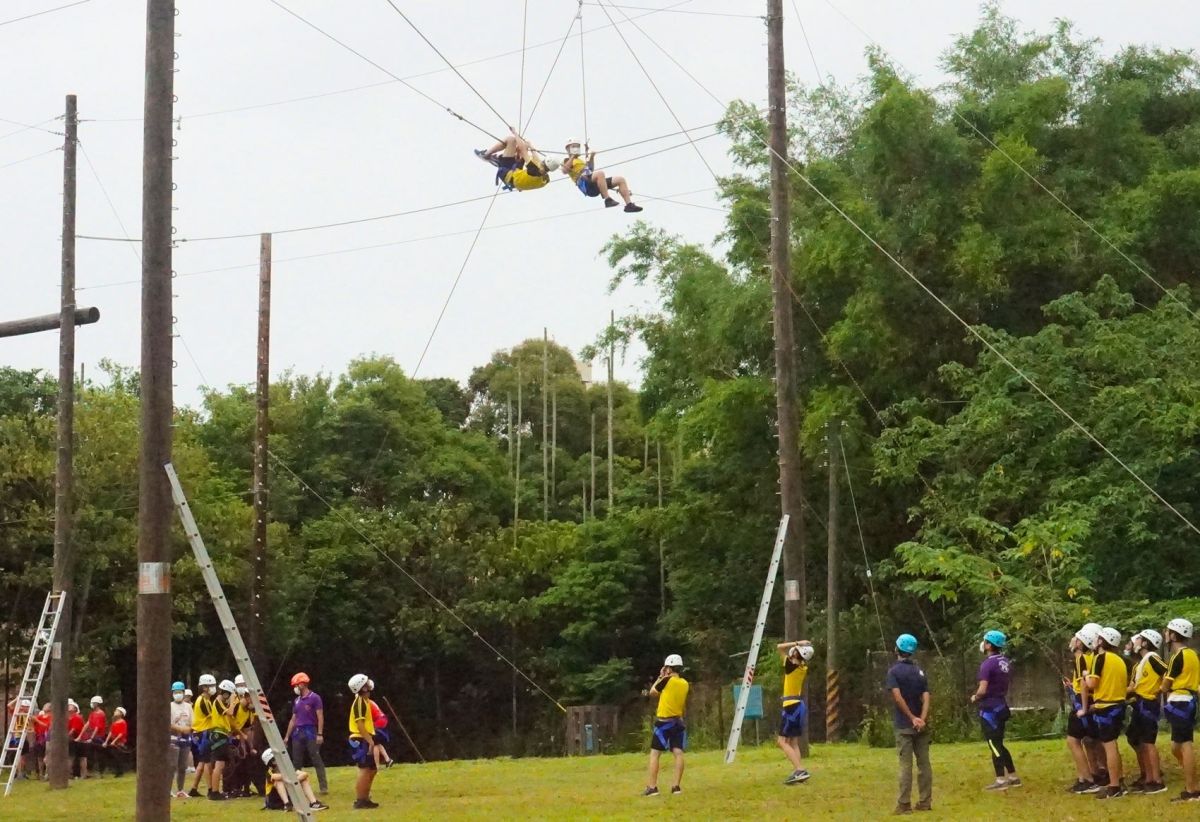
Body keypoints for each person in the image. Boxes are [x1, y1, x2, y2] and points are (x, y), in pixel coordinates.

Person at [1080, 626, 1128, 799]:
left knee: (1109, 747)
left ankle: (1114, 786)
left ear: (1102, 641)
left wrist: (1085, 674)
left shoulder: (1101, 657)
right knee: (1112, 745)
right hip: (1118, 705)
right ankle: (1118, 781)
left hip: (1107, 707)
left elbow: (1092, 684)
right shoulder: (1119, 660)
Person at [886, 633, 932, 815]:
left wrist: (912, 718)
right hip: (921, 725)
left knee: (906, 765)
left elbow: (897, 697)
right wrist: (922, 718)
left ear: (897, 649)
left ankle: (904, 804)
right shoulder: (919, 671)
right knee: (924, 764)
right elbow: (926, 696)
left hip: (904, 725)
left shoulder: (893, 672)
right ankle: (925, 801)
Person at [972, 630, 1020, 790]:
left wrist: (975, 697)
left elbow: (983, 689)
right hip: (1002, 705)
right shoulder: (1004, 661)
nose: (983, 644)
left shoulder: (988, 664)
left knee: (993, 744)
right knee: (1000, 743)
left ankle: (1000, 779)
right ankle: (1013, 776)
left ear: (989, 644)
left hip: (990, 709)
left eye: (985, 641)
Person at [1161, 617, 1199, 802]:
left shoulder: (1179, 656)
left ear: (1174, 635)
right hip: (1188, 700)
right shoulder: (1193, 655)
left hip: (1180, 700)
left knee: (1184, 745)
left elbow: (1165, 685)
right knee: (1177, 747)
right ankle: (1192, 781)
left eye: (1168, 631)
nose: (1165, 634)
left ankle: (1192, 790)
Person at [1126, 629, 1167, 794]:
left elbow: (1167, 673)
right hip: (1139, 703)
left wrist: (1160, 690)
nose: (1135, 642)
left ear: (1145, 643)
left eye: (1139, 639)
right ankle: (1147, 775)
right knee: (1135, 738)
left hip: (1148, 704)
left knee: (1148, 741)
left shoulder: (1152, 658)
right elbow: (1134, 686)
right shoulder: (1141, 663)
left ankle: (1156, 780)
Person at [1064, 623, 1104, 793]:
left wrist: (1083, 708)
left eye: (1076, 638)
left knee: (1073, 741)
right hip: (1087, 701)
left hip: (1083, 704)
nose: (1073, 640)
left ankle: (1087, 779)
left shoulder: (1081, 658)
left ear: (1081, 642)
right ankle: (1087, 776)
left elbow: (1084, 684)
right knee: (1090, 740)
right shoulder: (1092, 658)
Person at [643, 653, 689, 797]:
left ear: (669, 668)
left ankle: (652, 787)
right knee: (678, 753)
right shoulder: (685, 683)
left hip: (663, 723)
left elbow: (652, 692)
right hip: (678, 722)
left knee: (655, 754)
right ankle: (676, 786)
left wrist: (660, 677)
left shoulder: (666, 680)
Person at [562, 139, 643, 212]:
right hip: (586, 184)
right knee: (600, 174)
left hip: (592, 181)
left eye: (577, 146)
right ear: (568, 149)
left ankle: (629, 205)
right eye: (573, 146)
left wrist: (592, 157)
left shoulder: (580, 161)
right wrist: (572, 156)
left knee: (620, 180)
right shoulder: (567, 160)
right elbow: (564, 170)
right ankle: (607, 200)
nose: (576, 148)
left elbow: (590, 169)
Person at [775, 640, 813, 785]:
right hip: (798, 705)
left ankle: (800, 769)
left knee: (782, 741)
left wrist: (798, 642)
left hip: (791, 707)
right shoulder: (802, 667)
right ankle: (799, 771)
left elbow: (779, 647)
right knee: (794, 742)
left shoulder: (791, 666)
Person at [284, 672, 328, 795]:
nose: (295, 688)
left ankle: (323, 787)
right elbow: (293, 719)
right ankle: (296, 787)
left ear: (302, 684)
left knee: (316, 758)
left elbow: (320, 716)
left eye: (296, 685)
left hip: (311, 731)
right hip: (298, 732)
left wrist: (320, 734)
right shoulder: (296, 700)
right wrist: (287, 736)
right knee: (296, 761)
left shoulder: (315, 698)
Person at [475, 131, 561, 191]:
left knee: (511, 139)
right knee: (522, 151)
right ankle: (499, 158)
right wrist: (530, 146)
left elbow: (523, 150)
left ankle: (486, 155)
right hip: (515, 175)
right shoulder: (544, 177)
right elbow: (536, 159)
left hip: (508, 173)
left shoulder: (535, 170)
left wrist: (515, 133)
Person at [188, 673, 223, 799]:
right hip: (203, 733)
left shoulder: (205, 700)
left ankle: (193, 788)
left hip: (200, 733)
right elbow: (213, 716)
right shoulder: (203, 701)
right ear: (204, 687)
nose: (213, 688)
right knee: (207, 762)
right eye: (211, 686)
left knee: (202, 763)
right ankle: (210, 789)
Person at [348, 673, 380, 810]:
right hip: (359, 738)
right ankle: (360, 800)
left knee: (372, 769)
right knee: (364, 768)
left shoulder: (365, 701)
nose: (369, 684)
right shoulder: (359, 702)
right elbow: (360, 724)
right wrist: (370, 741)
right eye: (366, 683)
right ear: (363, 687)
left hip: (366, 737)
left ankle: (366, 798)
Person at [260, 748, 328, 812]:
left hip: (289, 797)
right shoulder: (270, 772)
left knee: (304, 780)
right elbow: (276, 777)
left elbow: (304, 774)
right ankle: (287, 804)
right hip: (274, 801)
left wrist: (294, 780)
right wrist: (294, 779)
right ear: (272, 761)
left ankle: (313, 803)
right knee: (278, 782)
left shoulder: (287, 768)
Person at [169, 680, 193, 798]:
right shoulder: (170, 706)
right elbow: (168, 724)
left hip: (186, 739)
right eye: (175, 692)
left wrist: (187, 730)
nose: (178, 694)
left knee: (182, 766)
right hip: (173, 738)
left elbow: (192, 723)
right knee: (172, 765)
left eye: (180, 692)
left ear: (183, 693)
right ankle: (167, 789)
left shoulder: (188, 707)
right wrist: (180, 729)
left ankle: (180, 789)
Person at [366, 679, 394, 769]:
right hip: (382, 720)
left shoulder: (366, 704)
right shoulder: (370, 702)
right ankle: (387, 760)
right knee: (375, 742)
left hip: (379, 721)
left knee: (375, 743)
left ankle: (376, 765)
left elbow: (368, 719)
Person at [77, 696, 107, 778]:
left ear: (97, 704)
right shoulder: (92, 714)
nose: (92, 704)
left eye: (93, 703)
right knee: (90, 755)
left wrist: (91, 738)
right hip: (92, 737)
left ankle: (100, 772)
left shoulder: (101, 714)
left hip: (99, 737)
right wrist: (80, 736)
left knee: (99, 755)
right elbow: (87, 724)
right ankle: (90, 772)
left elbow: (97, 727)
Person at [101, 707, 130, 777]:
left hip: (120, 743)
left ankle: (120, 772)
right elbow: (111, 732)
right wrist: (106, 741)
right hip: (114, 743)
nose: (115, 712)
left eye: (117, 711)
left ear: (121, 714)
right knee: (114, 757)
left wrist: (114, 741)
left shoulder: (123, 722)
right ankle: (117, 772)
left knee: (118, 758)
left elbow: (121, 734)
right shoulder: (114, 723)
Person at [31, 702, 50, 780]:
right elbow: (32, 721)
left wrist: (36, 720)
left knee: (47, 756)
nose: (44, 706)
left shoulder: (52, 717)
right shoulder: (40, 716)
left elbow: (47, 726)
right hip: (39, 739)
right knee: (39, 757)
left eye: (47, 705)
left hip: (47, 739)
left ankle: (48, 773)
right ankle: (41, 774)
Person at [66, 699, 84, 778]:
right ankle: (70, 773)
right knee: (70, 757)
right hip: (70, 740)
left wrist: (65, 736)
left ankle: (76, 774)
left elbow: (73, 730)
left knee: (76, 757)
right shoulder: (67, 718)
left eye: (71, 706)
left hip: (77, 740)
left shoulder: (77, 717)